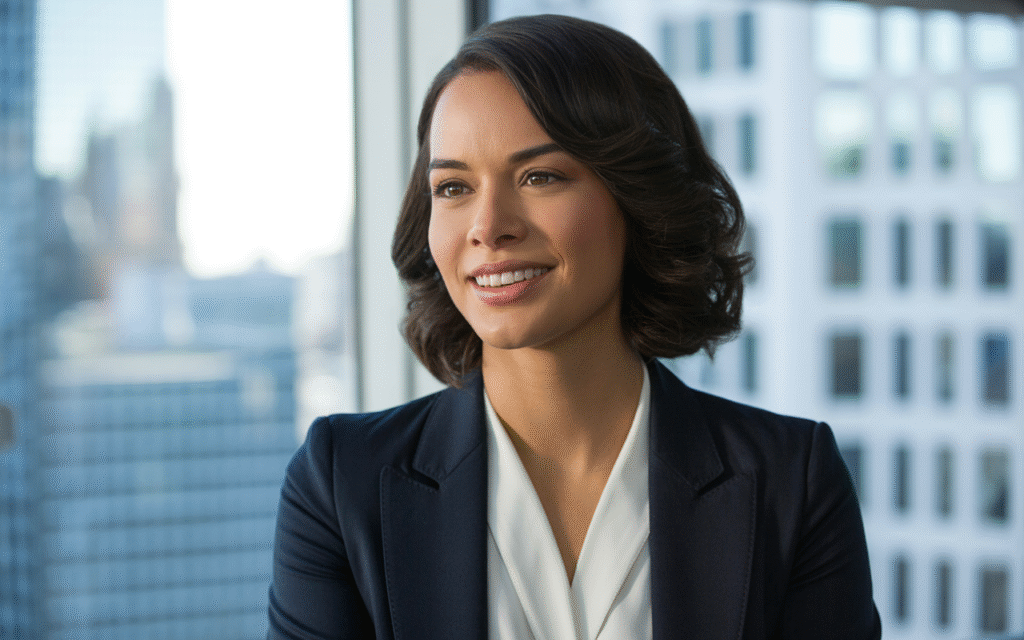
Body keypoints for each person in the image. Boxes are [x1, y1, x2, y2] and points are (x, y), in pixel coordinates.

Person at [267, 14, 881, 640]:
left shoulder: (791, 484)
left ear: (636, 201)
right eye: (453, 187)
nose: (488, 225)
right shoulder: (341, 484)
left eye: (540, 176)